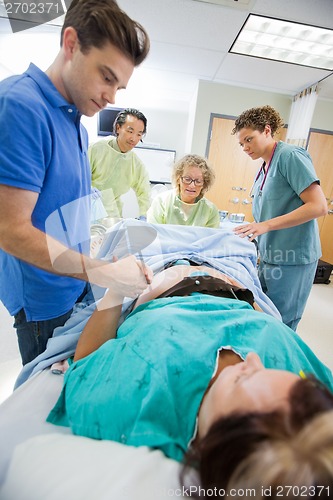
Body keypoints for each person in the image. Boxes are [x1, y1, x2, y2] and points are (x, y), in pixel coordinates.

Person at [47, 263, 333, 494]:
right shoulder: (310, 406)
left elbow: (84, 363)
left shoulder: (140, 386)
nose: (255, 359)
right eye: (271, 369)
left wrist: (116, 289)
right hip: (235, 283)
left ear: (208, 446)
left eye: (242, 379)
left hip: (168, 278)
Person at [0, 0, 152, 365]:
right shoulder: (20, 106)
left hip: (75, 283)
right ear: (71, 44)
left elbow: (66, 210)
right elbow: (9, 229)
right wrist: (106, 273)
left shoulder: (76, 125)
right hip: (43, 299)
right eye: (106, 77)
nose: (111, 97)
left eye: (120, 87)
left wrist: (103, 255)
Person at [231, 105, 327, 331]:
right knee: (266, 316)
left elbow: (318, 206)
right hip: (271, 256)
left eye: (249, 139)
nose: (245, 147)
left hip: (294, 258)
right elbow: (270, 209)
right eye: (241, 143)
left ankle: (282, 363)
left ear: (266, 130)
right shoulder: (265, 165)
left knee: (282, 322)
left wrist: (265, 225)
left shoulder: (290, 157)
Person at [89, 108, 151, 219]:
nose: (133, 138)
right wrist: (87, 188)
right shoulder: (96, 148)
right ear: (118, 128)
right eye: (130, 131)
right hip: (88, 208)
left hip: (113, 216)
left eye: (139, 134)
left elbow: (144, 192)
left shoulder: (136, 164)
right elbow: (78, 177)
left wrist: (144, 214)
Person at [147, 154, 220, 227]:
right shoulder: (161, 202)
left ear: (204, 184)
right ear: (178, 179)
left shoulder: (210, 210)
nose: (192, 185)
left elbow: (211, 237)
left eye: (198, 181)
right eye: (187, 179)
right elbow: (152, 232)